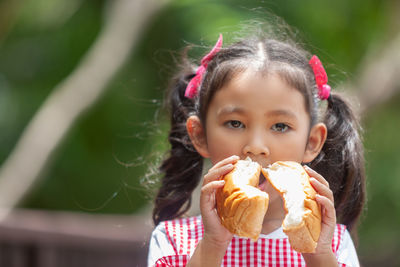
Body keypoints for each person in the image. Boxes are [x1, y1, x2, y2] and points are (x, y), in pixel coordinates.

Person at [147, 29, 366, 266]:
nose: (256, 146)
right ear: (200, 136)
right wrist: (213, 244)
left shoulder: (332, 245)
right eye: (235, 123)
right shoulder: (174, 241)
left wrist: (316, 252)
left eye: (280, 126)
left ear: (311, 142)